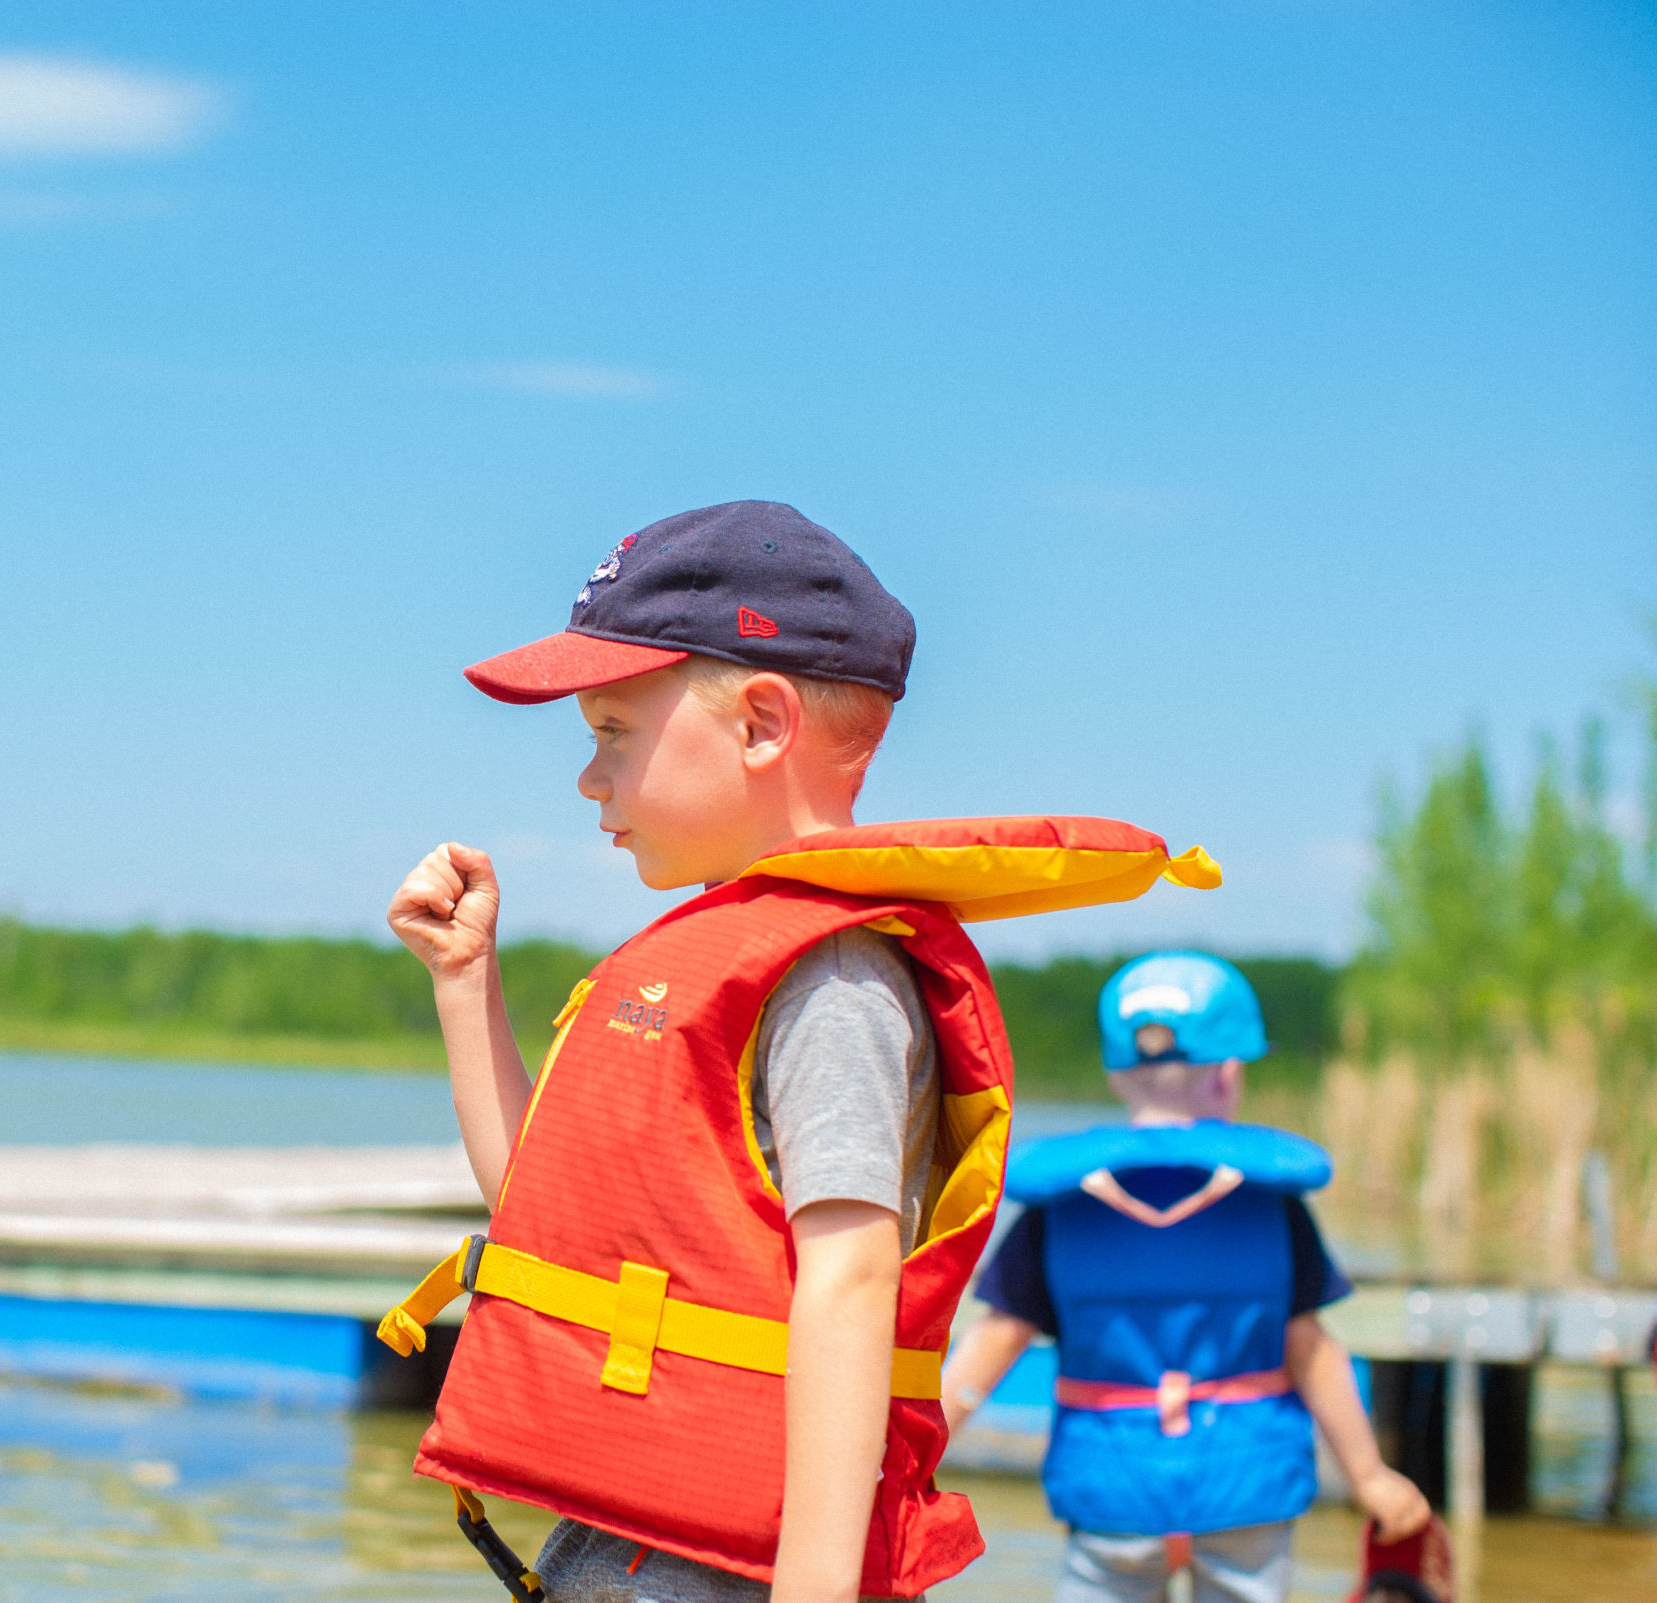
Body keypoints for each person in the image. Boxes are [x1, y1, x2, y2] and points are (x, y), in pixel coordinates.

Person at [375, 501, 1220, 1603]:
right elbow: (543, 1221)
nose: (590, 780)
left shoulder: (833, 982)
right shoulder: (715, 956)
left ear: (764, 724)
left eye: (612, 733)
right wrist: (464, 984)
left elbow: (852, 1279)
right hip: (622, 1558)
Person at [940, 951, 1431, 1603]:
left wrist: (923, 1449)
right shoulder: (1271, 1200)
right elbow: (1310, 1348)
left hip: (1111, 1484)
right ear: (1229, 1071)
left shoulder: (1061, 1205)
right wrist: (1367, 1474)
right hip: (1244, 1484)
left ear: (1117, 1074)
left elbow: (995, 1341)